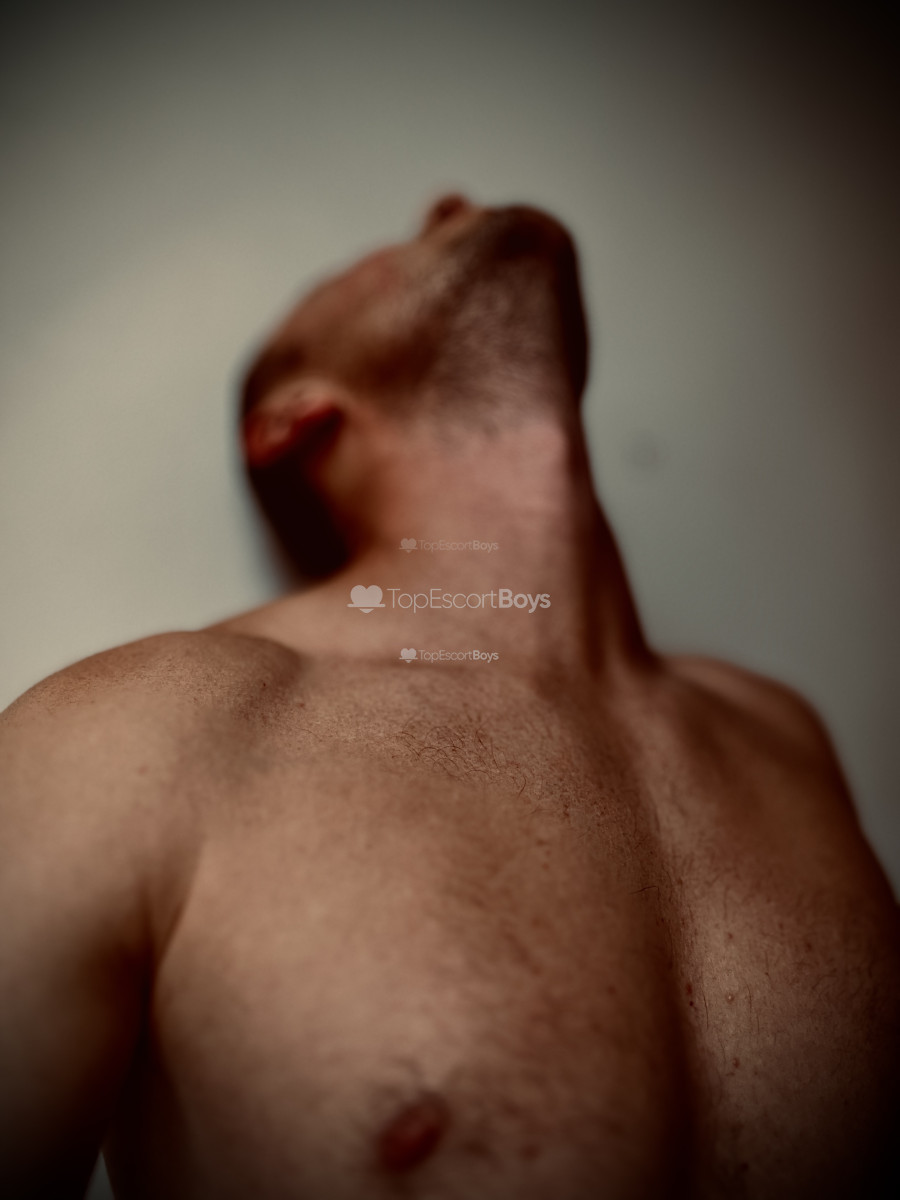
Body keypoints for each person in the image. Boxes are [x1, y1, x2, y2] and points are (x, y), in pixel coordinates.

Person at [1, 194, 898, 1200]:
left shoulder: (785, 737)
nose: (448, 203)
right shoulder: (135, 732)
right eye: (379, 253)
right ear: (290, 420)